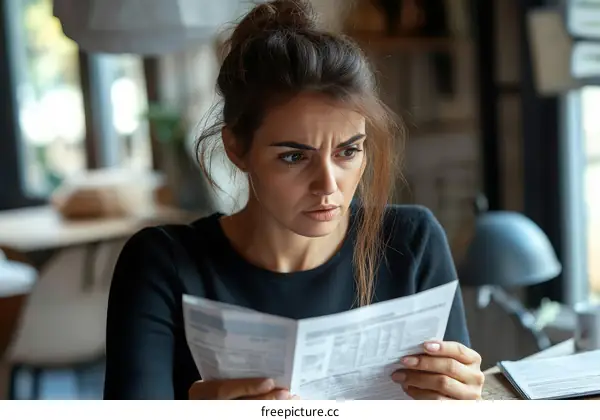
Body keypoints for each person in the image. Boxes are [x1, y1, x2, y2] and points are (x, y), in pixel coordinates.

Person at [103, 0, 484, 401]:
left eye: (348, 152)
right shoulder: (164, 264)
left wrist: (464, 397)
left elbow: (452, 399)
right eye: (293, 157)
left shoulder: (411, 243)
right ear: (236, 148)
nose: (327, 185)